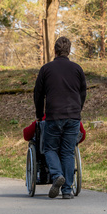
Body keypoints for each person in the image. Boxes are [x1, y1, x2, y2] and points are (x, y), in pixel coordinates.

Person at [33, 37, 87, 199]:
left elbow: (38, 94)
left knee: (50, 148)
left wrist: (38, 114)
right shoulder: (77, 69)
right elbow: (83, 93)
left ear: (55, 51)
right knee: (68, 152)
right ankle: (67, 191)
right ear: (69, 51)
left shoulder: (46, 69)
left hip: (54, 116)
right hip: (73, 117)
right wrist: (78, 110)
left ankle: (57, 176)